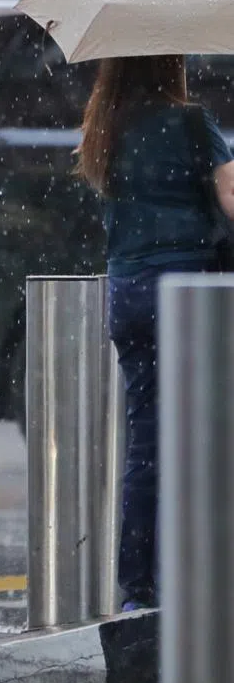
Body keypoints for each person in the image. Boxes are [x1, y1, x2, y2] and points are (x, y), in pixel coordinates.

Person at [76, 56, 234, 612]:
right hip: (184, 288)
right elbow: (230, 197)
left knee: (147, 439)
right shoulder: (191, 122)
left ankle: (137, 587)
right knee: (194, 436)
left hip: (128, 291)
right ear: (171, 66)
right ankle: (186, 577)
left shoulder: (105, 128)